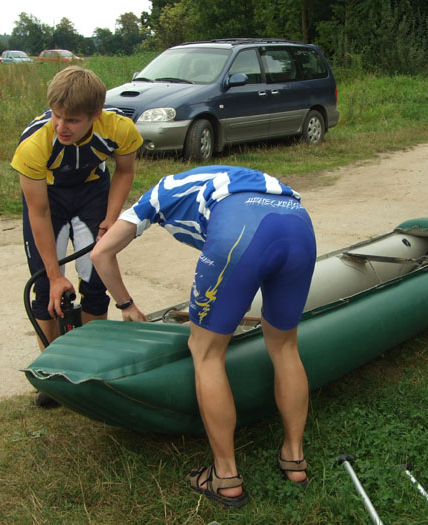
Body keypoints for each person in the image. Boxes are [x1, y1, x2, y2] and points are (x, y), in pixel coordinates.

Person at [90, 165, 317, 508]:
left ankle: (225, 476)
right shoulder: (224, 175)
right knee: (285, 346)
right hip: (298, 223)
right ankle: (294, 459)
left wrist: (126, 304)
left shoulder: (156, 195)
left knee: (206, 352)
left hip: (239, 230)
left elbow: (100, 254)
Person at [11, 66, 142, 407]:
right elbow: (38, 212)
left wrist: (110, 221)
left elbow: (124, 171)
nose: (61, 126)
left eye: (71, 120)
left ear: (95, 115)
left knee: (96, 281)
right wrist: (55, 275)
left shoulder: (118, 128)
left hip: (91, 193)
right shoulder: (34, 143)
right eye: (56, 116)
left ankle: (90, 367)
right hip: (49, 199)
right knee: (45, 288)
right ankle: (50, 375)